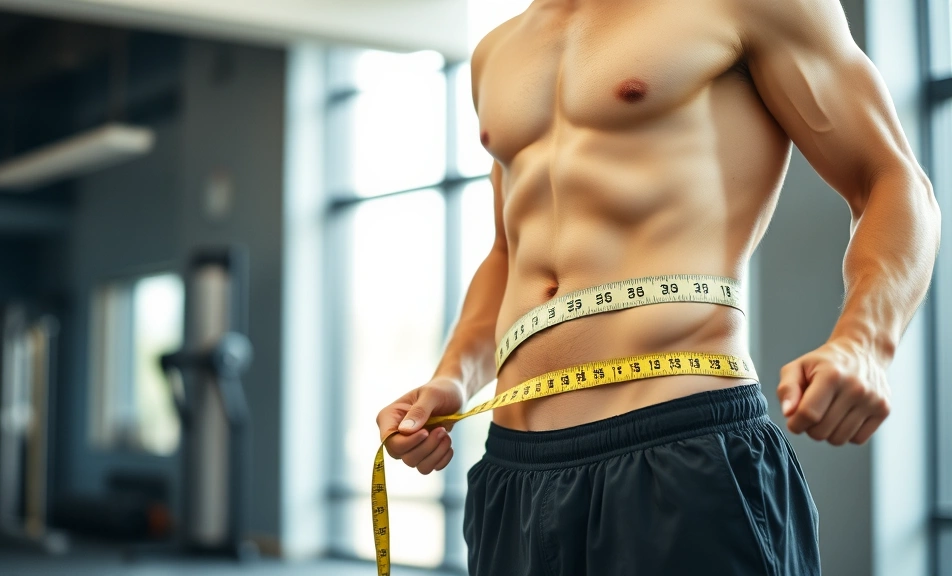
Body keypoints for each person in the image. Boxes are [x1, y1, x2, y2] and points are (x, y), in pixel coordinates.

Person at [375, 0, 941, 573]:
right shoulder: (495, 50)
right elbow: (507, 252)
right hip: (512, 474)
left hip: (682, 449)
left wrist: (866, 342)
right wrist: (451, 377)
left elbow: (892, 181)